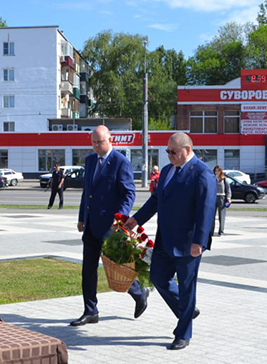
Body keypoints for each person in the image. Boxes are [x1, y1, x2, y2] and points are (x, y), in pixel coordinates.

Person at [125, 132, 215, 351]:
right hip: (165, 239)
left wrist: (199, 241)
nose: (169, 156)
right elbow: (155, 201)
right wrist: (135, 220)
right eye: (167, 151)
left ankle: (183, 333)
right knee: (157, 277)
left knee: (187, 288)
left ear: (187, 149)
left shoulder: (202, 173)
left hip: (188, 243)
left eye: (173, 152)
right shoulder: (166, 171)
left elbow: (207, 210)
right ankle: (187, 310)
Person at [73, 125, 149, 326]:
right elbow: (87, 193)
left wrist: (120, 220)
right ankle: (90, 311)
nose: (97, 146)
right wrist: (82, 218)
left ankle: (140, 292)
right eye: (94, 142)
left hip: (110, 227)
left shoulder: (120, 162)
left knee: (116, 267)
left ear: (110, 139)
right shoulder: (90, 161)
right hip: (90, 225)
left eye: (100, 142)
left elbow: (129, 194)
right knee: (88, 270)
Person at [213, 165, 230, 236]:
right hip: (213, 197)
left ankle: (221, 231)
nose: (217, 172)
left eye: (218, 170)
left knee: (221, 215)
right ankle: (211, 231)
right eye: (216, 170)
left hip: (222, 197)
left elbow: (228, 190)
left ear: (221, 171)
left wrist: (228, 198)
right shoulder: (212, 178)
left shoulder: (224, 179)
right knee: (211, 215)